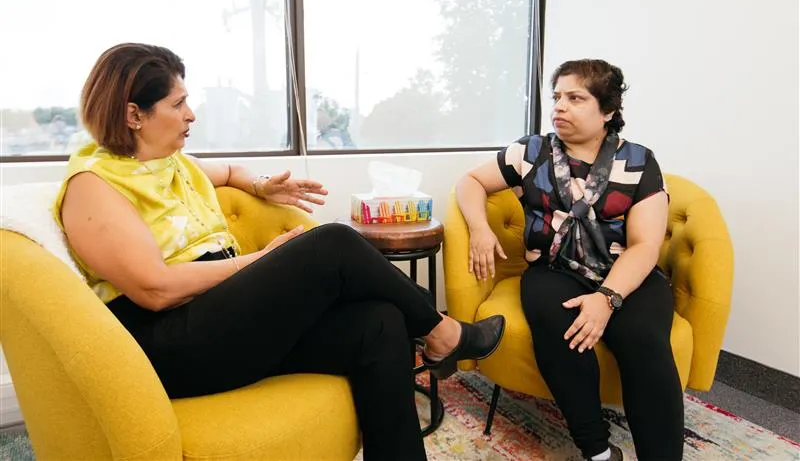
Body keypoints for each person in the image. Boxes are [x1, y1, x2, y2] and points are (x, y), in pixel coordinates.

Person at [53, 43, 506, 461]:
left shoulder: (170, 165)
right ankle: (443, 333)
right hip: (171, 342)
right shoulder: (94, 186)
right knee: (333, 242)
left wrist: (261, 184)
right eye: (177, 104)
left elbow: (229, 170)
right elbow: (155, 289)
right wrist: (260, 261)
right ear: (134, 114)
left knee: (380, 324)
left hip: (221, 320)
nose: (191, 115)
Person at [455, 59, 684, 461]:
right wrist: (479, 227)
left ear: (608, 111)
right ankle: (596, 450)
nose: (559, 106)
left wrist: (606, 298)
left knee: (643, 341)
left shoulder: (639, 162)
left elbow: (645, 245)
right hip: (554, 268)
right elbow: (470, 181)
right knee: (563, 332)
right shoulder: (531, 151)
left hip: (626, 272)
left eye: (575, 98)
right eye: (557, 96)